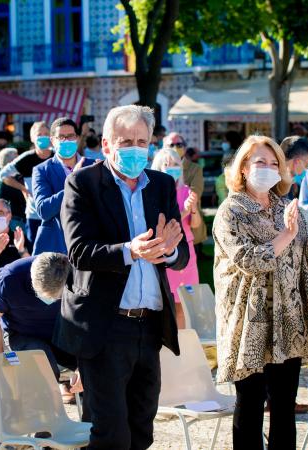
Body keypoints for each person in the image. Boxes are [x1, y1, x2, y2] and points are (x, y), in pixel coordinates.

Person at [56, 105, 188, 449]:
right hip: (105, 326)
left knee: (142, 429)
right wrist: (132, 250)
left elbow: (181, 252)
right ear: (106, 144)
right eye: (126, 141)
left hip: (149, 325)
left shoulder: (160, 184)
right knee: (110, 433)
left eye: (142, 141)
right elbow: (80, 251)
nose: (135, 148)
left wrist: (169, 250)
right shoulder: (83, 183)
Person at [213, 135, 308, 449]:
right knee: (251, 404)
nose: (268, 169)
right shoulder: (231, 211)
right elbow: (249, 260)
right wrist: (289, 234)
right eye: (260, 162)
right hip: (249, 323)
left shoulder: (285, 205)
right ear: (243, 168)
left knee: (284, 406)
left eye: (273, 163)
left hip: (288, 320)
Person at [0, 253, 80, 402]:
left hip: (60, 332)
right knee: (42, 363)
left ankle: (92, 422)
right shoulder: (8, 280)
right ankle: (43, 419)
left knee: (94, 367)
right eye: (45, 296)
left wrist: (83, 367)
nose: (51, 301)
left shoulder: (75, 274)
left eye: (56, 297)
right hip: (20, 334)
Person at [150, 148, 200, 329]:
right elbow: (166, 224)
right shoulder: (154, 192)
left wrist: (193, 209)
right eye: (167, 165)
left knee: (183, 304)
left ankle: (183, 343)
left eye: (176, 165)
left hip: (187, 251)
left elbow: (195, 224)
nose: (172, 168)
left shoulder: (186, 190)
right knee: (166, 302)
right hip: (167, 251)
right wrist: (185, 210)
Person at [32, 118, 95, 255]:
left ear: (77, 138)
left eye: (70, 136)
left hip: (90, 244)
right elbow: (44, 210)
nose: (66, 140)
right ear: (52, 140)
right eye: (61, 137)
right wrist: (73, 181)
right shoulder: (42, 170)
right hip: (57, 247)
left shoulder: (93, 166)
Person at [2, 122, 53, 248]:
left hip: (56, 214)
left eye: (46, 134)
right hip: (34, 214)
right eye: (39, 134)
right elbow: (4, 176)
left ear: (51, 137)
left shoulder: (58, 156)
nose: (43, 137)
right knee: (35, 252)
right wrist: (23, 188)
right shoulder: (26, 159)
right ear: (32, 138)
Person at [164, 132, 207, 257]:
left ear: (185, 147)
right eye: (171, 145)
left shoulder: (195, 168)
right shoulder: (157, 168)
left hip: (189, 220)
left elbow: (195, 193)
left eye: (179, 144)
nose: (175, 148)